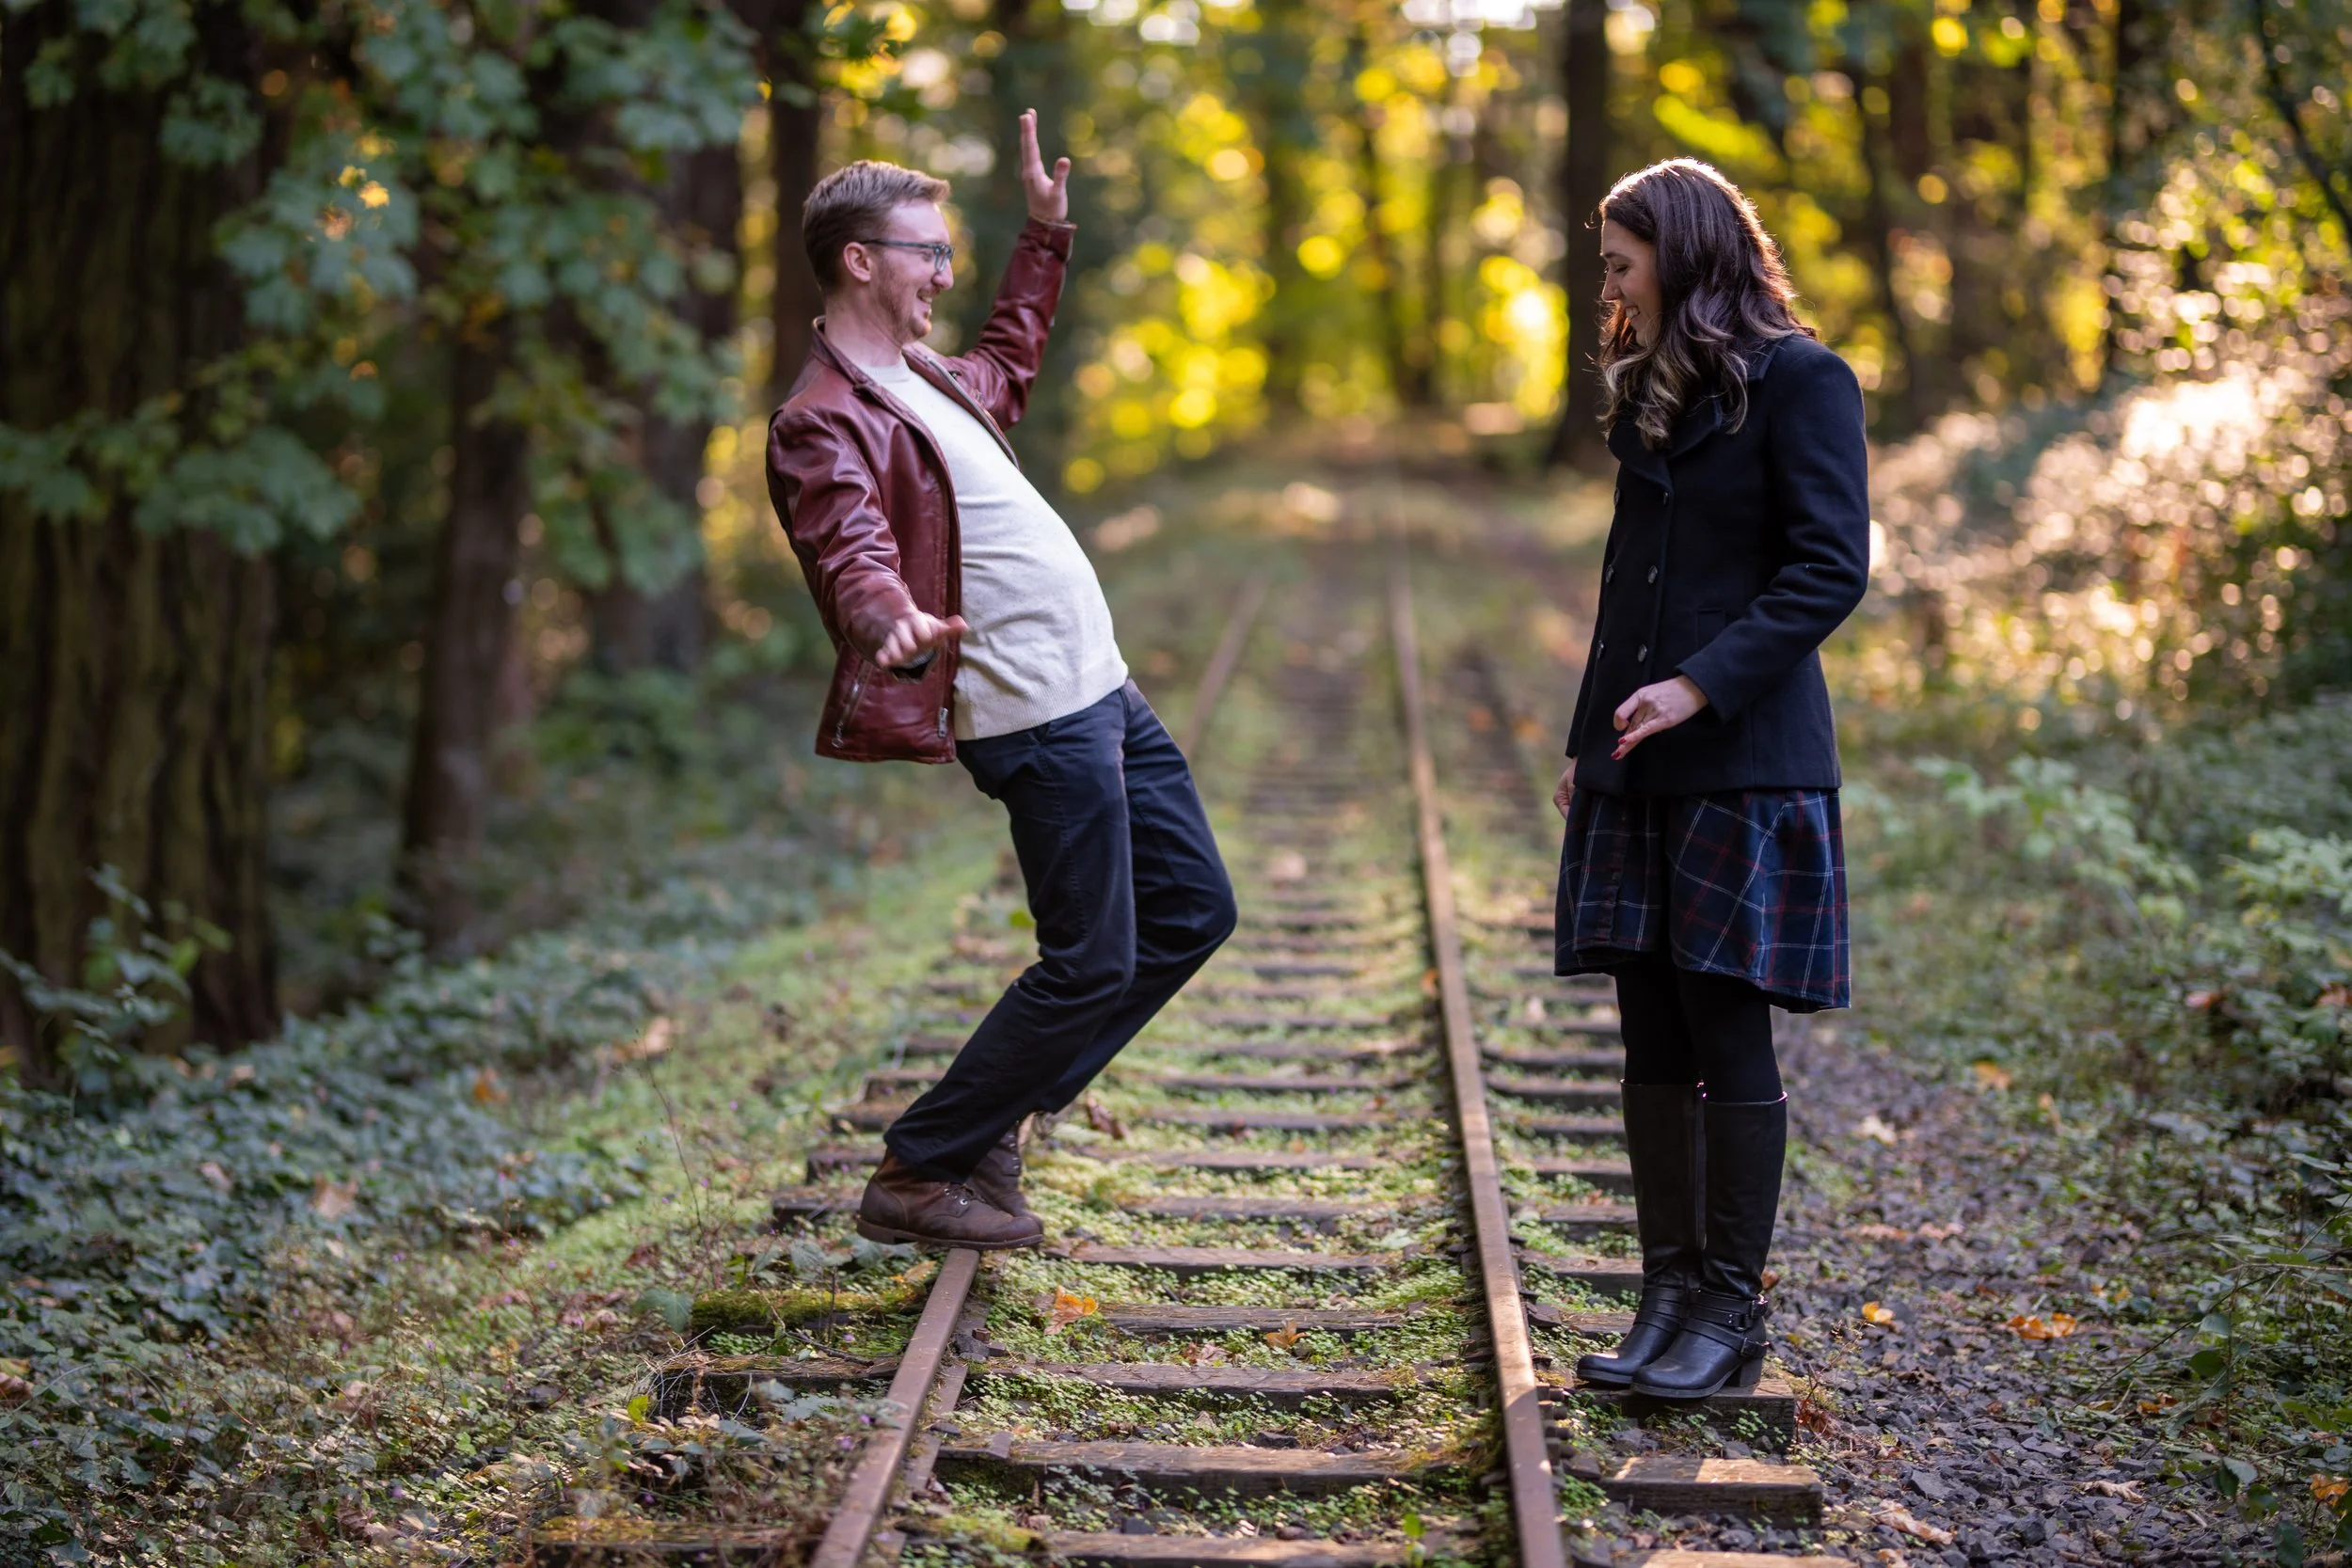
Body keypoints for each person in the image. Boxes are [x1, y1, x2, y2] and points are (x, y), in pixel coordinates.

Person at [765, 116, 1237, 1251]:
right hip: (1029, 713)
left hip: (1099, 689)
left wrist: (1044, 234)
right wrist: (889, 620)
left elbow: (1011, 359)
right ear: (860, 260)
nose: (944, 270)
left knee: (1193, 911)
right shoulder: (818, 419)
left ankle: (984, 1124)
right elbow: (848, 546)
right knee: (1090, 963)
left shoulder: (924, 372)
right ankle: (919, 1167)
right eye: (927, 251)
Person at [1551, 160, 1869, 1400]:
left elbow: (1829, 567)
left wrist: (1700, 683)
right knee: (1647, 1028)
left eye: (1624, 261)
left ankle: (1730, 1310)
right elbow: (1627, 584)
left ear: (1684, 253)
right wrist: (1592, 743)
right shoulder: (1655, 393)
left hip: (1744, 758)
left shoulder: (1805, 379)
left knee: (1723, 1021)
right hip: (1640, 763)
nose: (1612, 284)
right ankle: (1667, 1292)